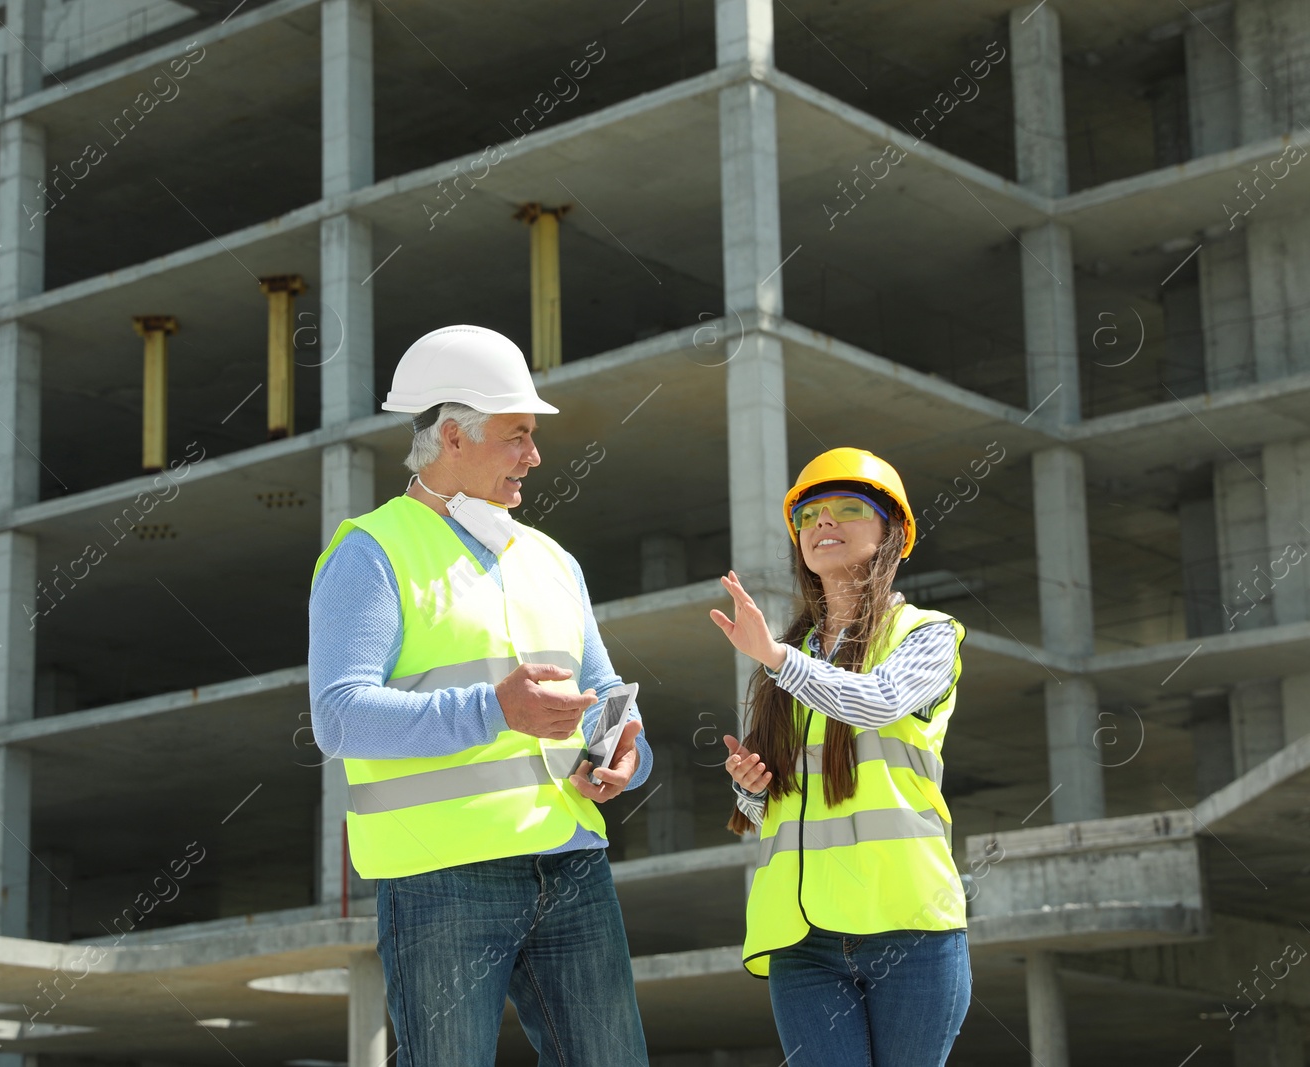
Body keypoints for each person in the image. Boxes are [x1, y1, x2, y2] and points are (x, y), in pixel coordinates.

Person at [308, 324, 653, 1067]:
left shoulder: (554, 561)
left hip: (570, 863)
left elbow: (603, 701)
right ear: (452, 437)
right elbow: (337, 715)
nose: (534, 454)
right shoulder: (371, 552)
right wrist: (495, 710)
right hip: (441, 880)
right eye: (517, 434)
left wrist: (628, 752)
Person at [709, 447, 970, 1066]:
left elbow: (879, 702)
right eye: (810, 515)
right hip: (802, 938)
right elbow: (783, 803)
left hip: (907, 926)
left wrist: (775, 657)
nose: (824, 522)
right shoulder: (791, 656)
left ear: (894, 533)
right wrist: (750, 788)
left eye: (849, 509)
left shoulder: (926, 635)